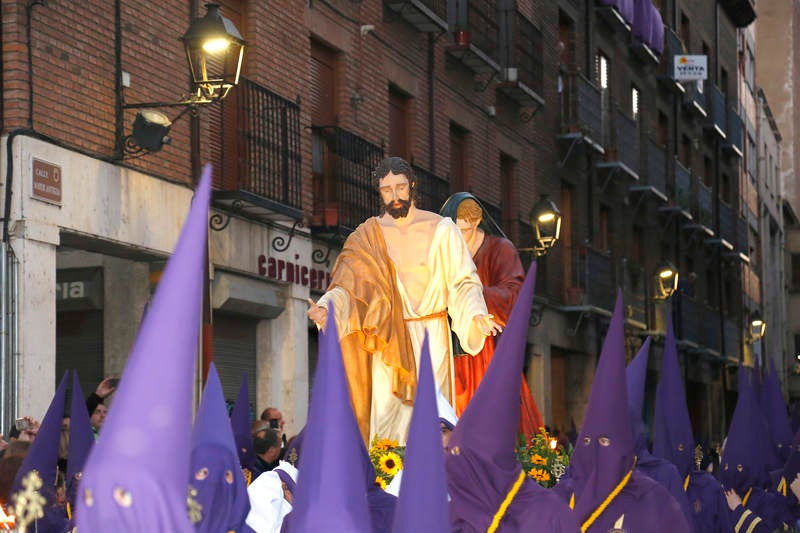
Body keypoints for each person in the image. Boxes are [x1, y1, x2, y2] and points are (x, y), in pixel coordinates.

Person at [307, 157, 500, 444]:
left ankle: (433, 482)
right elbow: (350, 287)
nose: (395, 196)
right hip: (387, 340)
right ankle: (387, 485)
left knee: (433, 420)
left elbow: (463, 281)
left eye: (400, 187)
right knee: (386, 422)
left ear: (412, 186)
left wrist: (475, 316)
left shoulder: (442, 229)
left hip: (432, 339)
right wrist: (328, 309)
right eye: (387, 190)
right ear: (379, 192)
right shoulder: (367, 236)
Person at [553, 292, 691, 532]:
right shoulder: (560, 495)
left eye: (605, 441)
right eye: (588, 440)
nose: (596, 449)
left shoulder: (653, 499)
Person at [440, 192, 544, 437]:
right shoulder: (445, 255)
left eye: (461, 233)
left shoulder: (500, 250)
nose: (455, 241)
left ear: (475, 223)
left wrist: (470, 298)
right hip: (449, 349)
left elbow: (514, 294)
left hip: (487, 349)